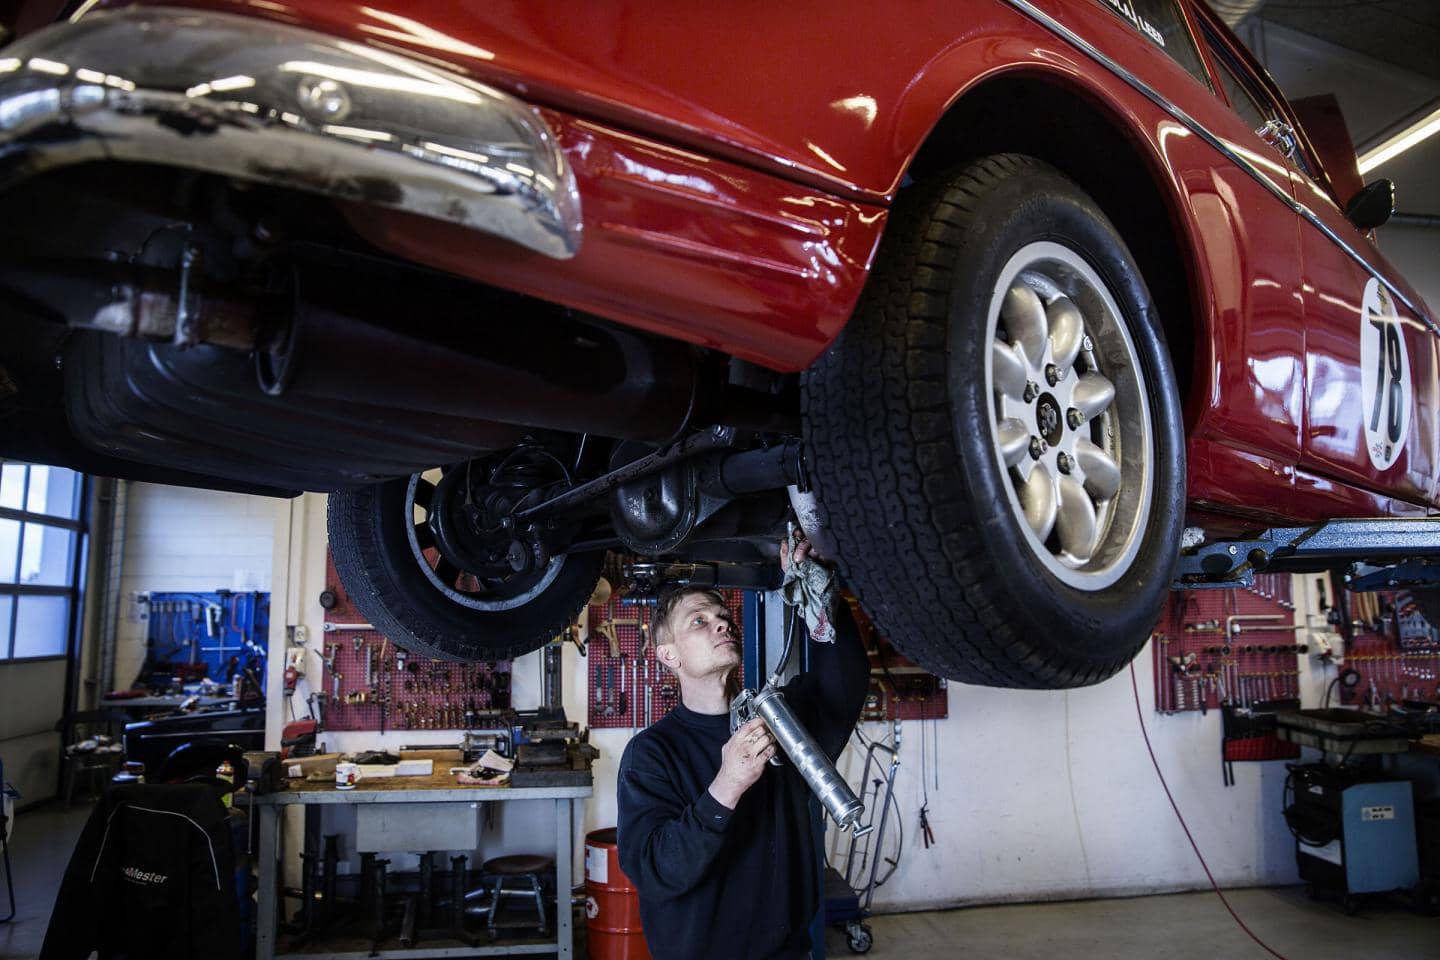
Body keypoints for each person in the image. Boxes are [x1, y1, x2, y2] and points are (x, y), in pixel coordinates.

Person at [616, 538, 869, 960]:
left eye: (722, 616)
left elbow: (845, 681)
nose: (722, 624)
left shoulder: (782, 722)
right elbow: (656, 869)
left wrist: (823, 598)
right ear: (668, 655)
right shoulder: (651, 753)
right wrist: (727, 785)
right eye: (698, 621)